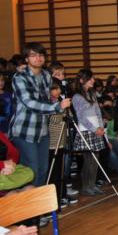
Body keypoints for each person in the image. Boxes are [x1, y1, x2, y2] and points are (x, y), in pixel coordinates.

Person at [9, 43, 71, 187]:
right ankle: (29, 201)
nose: (38, 58)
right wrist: (57, 107)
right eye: (33, 55)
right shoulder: (20, 77)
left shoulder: (46, 75)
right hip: (25, 131)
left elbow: (46, 99)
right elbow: (29, 102)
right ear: (26, 59)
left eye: (41, 55)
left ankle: (39, 201)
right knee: (32, 171)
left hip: (43, 130)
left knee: (43, 171)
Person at [70, 69, 107, 196]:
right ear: (82, 80)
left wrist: (101, 126)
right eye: (90, 79)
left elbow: (98, 112)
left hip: (97, 129)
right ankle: (86, 186)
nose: (93, 81)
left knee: (95, 160)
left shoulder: (92, 94)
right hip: (87, 130)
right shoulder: (77, 97)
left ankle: (92, 184)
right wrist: (94, 128)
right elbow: (81, 117)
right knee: (89, 160)